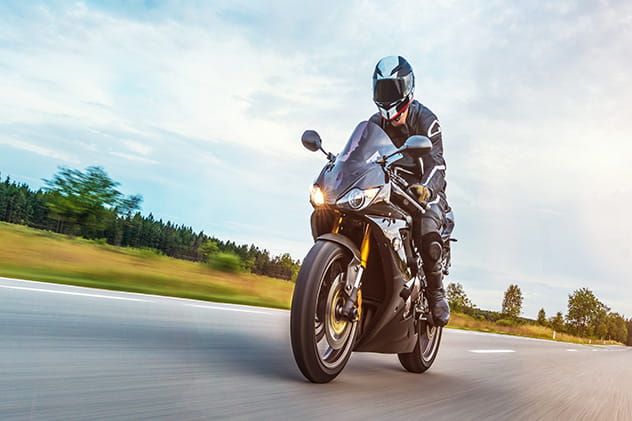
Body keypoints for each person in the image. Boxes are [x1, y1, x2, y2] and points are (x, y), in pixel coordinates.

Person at [368, 55, 452, 327]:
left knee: (426, 227)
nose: (387, 96)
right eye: (382, 90)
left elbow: (437, 164)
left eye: (391, 90)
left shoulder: (426, 120)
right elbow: (360, 153)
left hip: (423, 193)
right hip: (387, 188)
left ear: (406, 89)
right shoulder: (374, 122)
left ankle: (436, 293)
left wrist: (425, 189)